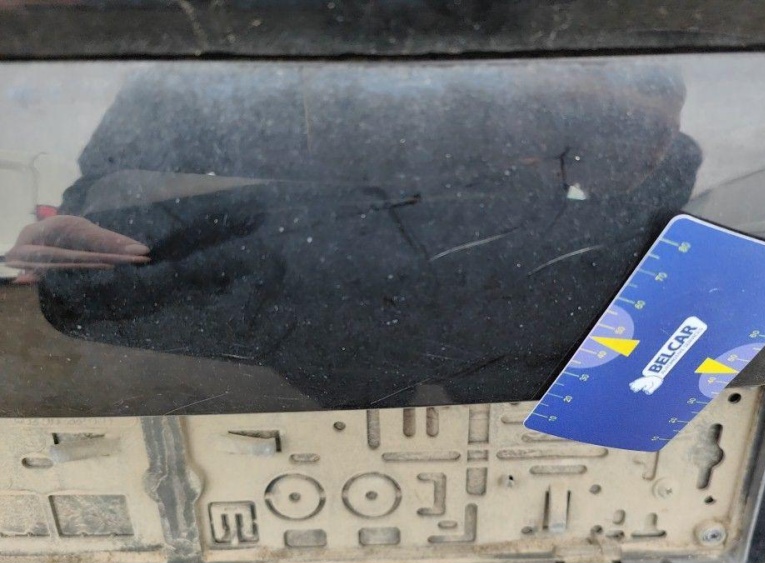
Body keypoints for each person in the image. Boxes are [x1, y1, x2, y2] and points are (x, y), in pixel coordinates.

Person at [26, 62, 701, 409]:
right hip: (317, 380)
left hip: (495, 417)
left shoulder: (647, 189)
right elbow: (100, 244)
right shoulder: (201, 90)